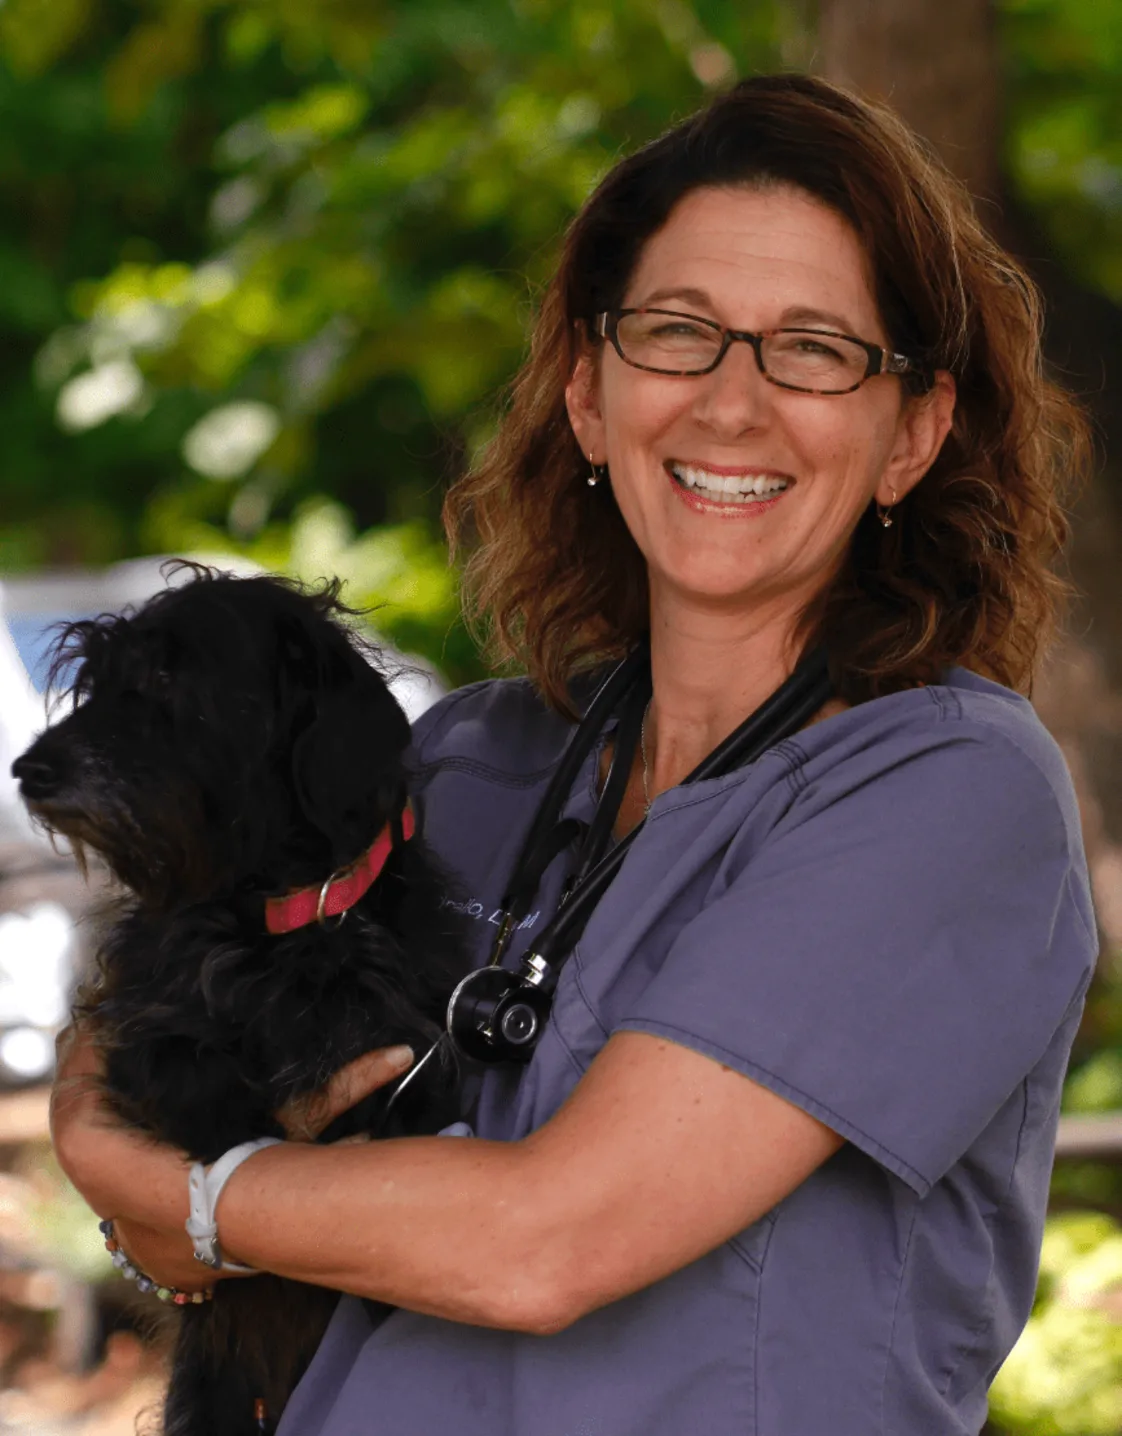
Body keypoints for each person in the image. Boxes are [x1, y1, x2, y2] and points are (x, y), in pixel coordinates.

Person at [52, 72, 1097, 1436]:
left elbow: (549, 1241)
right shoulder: (466, 764)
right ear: (589, 398)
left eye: (813, 348)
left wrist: (191, 1200)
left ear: (909, 434)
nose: (732, 402)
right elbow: (156, 967)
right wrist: (113, 1134)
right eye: (677, 334)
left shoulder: (946, 798)